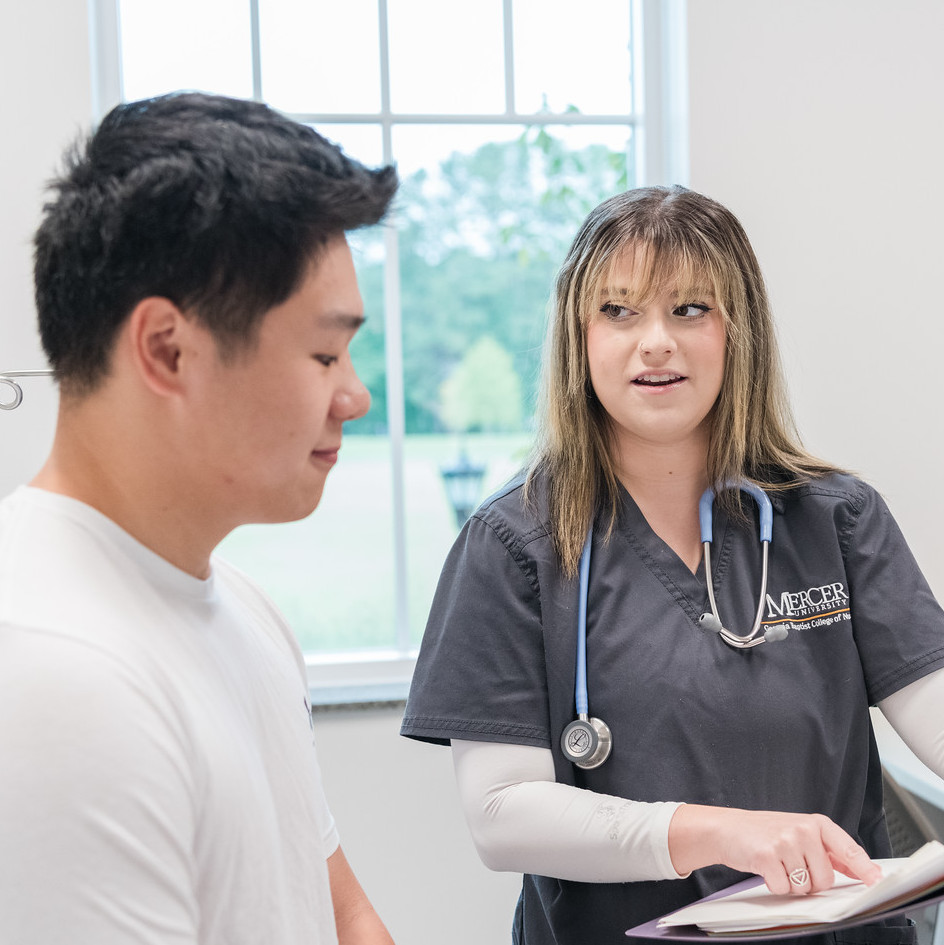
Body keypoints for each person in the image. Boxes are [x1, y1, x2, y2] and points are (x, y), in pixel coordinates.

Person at [401, 185, 944, 944]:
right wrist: (722, 833)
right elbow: (501, 814)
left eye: (691, 309)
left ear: (738, 330)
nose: (655, 341)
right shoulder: (515, 544)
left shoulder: (835, 519)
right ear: (578, 335)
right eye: (618, 310)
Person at [0, 92, 398, 944]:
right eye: (325, 352)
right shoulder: (56, 672)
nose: (355, 395)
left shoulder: (243, 612)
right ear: (168, 350)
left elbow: (343, 915)